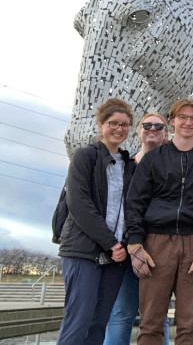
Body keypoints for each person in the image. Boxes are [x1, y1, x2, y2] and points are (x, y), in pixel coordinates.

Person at [125, 98, 193, 345]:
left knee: (189, 325)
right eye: (182, 117)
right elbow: (134, 203)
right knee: (150, 324)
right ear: (172, 121)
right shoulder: (153, 159)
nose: (188, 122)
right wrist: (135, 244)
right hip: (156, 244)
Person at [57, 98, 136, 345]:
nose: (119, 129)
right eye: (113, 123)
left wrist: (123, 245)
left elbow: (131, 210)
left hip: (115, 257)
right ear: (101, 125)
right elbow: (79, 204)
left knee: (98, 323)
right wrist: (110, 242)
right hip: (83, 251)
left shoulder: (129, 166)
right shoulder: (84, 157)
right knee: (78, 321)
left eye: (124, 125)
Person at [104, 113, 171, 345]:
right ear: (138, 131)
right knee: (121, 314)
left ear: (166, 133)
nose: (152, 128)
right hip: (126, 247)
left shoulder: (173, 168)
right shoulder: (123, 166)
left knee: (156, 316)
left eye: (158, 126)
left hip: (160, 249)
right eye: (147, 125)